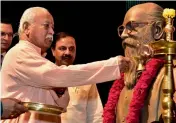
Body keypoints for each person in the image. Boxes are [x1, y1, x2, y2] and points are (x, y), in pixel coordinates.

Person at [1, 7, 130, 123]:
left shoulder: (38, 58)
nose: (52, 32)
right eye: (46, 26)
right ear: (26, 28)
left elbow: (62, 105)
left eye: (52, 27)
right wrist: (112, 65)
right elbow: (57, 75)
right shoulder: (19, 53)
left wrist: (60, 87)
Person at [103, 2, 176, 123]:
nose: (123, 35)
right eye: (123, 29)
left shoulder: (171, 74)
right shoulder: (124, 82)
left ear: (157, 30)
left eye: (131, 26)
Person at [51, 32, 103, 123]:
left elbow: (96, 117)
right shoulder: (43, 76)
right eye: (62, 48)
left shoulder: (86, 79)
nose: (67, 52)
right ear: (53, 51)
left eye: (71, 49)